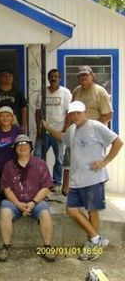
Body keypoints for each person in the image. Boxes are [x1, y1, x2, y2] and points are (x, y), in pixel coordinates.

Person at [43, 101, 123, 261]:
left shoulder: (96, 126)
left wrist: (104, 162)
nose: (75, 116)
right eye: (72, 114)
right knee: (71, 210)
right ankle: (96, 239)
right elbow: (62, 137)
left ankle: (91, 245)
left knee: (93, 212)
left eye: (78, 113)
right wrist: (48, 128)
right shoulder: (72, 129)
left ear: (85, 112)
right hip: (76, 180)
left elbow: (118, 142)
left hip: (93, 178)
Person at [0, 134, 55, 262]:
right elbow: (6, 188)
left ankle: (47, 247)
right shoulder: (8, 166)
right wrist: (18, 204)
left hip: (35, 201)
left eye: (26, 145)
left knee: (45, 213)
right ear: (15, 149)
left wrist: (33, 202)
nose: (22, 147)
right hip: (15, 202)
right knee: (5, 212)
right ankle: (6, 247)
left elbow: (45, 187)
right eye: (19, 145)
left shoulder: (40, 164)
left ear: (31, 148)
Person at [63, 65, 114, 195]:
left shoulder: (100, 91)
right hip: (77, 132)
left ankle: (96, 192)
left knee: (94, 165)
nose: (83, 77)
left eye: (86, 75)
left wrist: (93, 129)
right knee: (71, 161)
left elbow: (108, 114)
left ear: (92, 76)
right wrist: (66, 129)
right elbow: (71, 112)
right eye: (80, 76)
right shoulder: (76, 91)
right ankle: (70, 190)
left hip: (94, 136)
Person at [34, 69, 72, 189]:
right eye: (51, 76)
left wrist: (64, 130)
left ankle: (56, 183)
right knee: (37, 158)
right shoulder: (42, 92)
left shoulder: (65, 92)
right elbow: (38, 112)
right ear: (48, 78)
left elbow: (69, 113)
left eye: (56, 76)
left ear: (59, 78)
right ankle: (40, 182)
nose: (53, 78)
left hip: (58, 132)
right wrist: (38, 128)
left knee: (59, 159)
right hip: (44, 131)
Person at [0, 106, 22, 205]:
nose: (5, 118)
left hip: (14, 168)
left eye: (8, 116)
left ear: (12, 118)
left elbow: (23, 150)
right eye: (2, 116)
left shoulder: (18, 131)